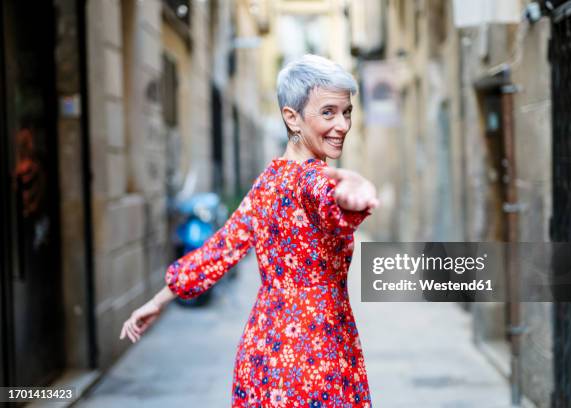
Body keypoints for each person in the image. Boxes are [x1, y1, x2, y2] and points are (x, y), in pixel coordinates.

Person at [120, 54, 379, 407]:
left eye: (346, 112)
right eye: (328, 112)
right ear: (292, 117)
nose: (343, 125)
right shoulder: (314, 179)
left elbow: (219, 251)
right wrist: (350, 198)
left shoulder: (266, 183)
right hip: (318, 361)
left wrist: (156, 301)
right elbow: (328, 200)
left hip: (263, 355)